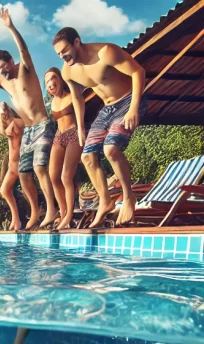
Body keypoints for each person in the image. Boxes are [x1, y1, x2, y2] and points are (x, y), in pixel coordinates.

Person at [53, 27, 146, 227]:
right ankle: (105, 201)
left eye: (65, 50)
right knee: (86, 157)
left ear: (77, 42)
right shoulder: (68, 70)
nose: (63, 57)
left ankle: (129, 197)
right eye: (59, 54)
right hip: (107, 109)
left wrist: (134, 108)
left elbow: (138, 72)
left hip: (127, 101)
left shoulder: (106, 52)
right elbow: (77, 97)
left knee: (110, 148)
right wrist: (79, 127)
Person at [0, 6, 57, 230]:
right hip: (28, 132)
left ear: (11, 61)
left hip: (43, 124)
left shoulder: (25, 69)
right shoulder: (5, 81)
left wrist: (10, 27)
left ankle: (51, 209)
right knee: (24, 174)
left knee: (40, 168)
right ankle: (35, 213)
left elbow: (24, 50)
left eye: (4, 67)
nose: (3, 72)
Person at [44, 67, 83, 230]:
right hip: (59, 136)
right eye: (47, 81)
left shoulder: (72, 95)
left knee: (66, 177)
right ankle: (62, 210)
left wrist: (81, 130)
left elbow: (81, 109)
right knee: (53, 176)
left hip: (74, 133)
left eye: (53, 78)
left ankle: (69, 215)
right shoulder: (51, 102)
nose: (50, 83)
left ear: (60, 79)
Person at [0, 103, 24, 231]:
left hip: (21, 161)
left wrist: (6, 110)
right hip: (12, 164)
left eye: (6, 113)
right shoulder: (8, 125)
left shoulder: (18, 122)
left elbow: (18, 125)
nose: (4, 116)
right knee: (4, 191)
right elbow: (3, 132)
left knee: (24, 191)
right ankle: (16, 219)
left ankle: (18, 220)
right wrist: (1, 115)